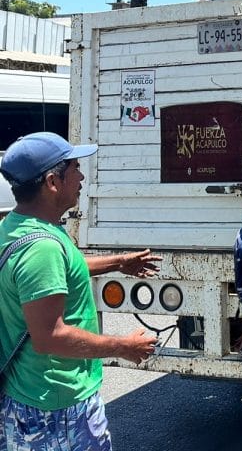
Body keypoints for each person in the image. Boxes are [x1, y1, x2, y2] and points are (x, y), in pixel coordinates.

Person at [0, 132, 160, 451]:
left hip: (32, 398)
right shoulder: (42, 248)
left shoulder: (18, 227)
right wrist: (123, 346)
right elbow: (50, 336)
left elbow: (56, 274)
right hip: (56, 408)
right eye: (74, 167)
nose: (82, 175)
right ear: (52, 182)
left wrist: (119, 262)